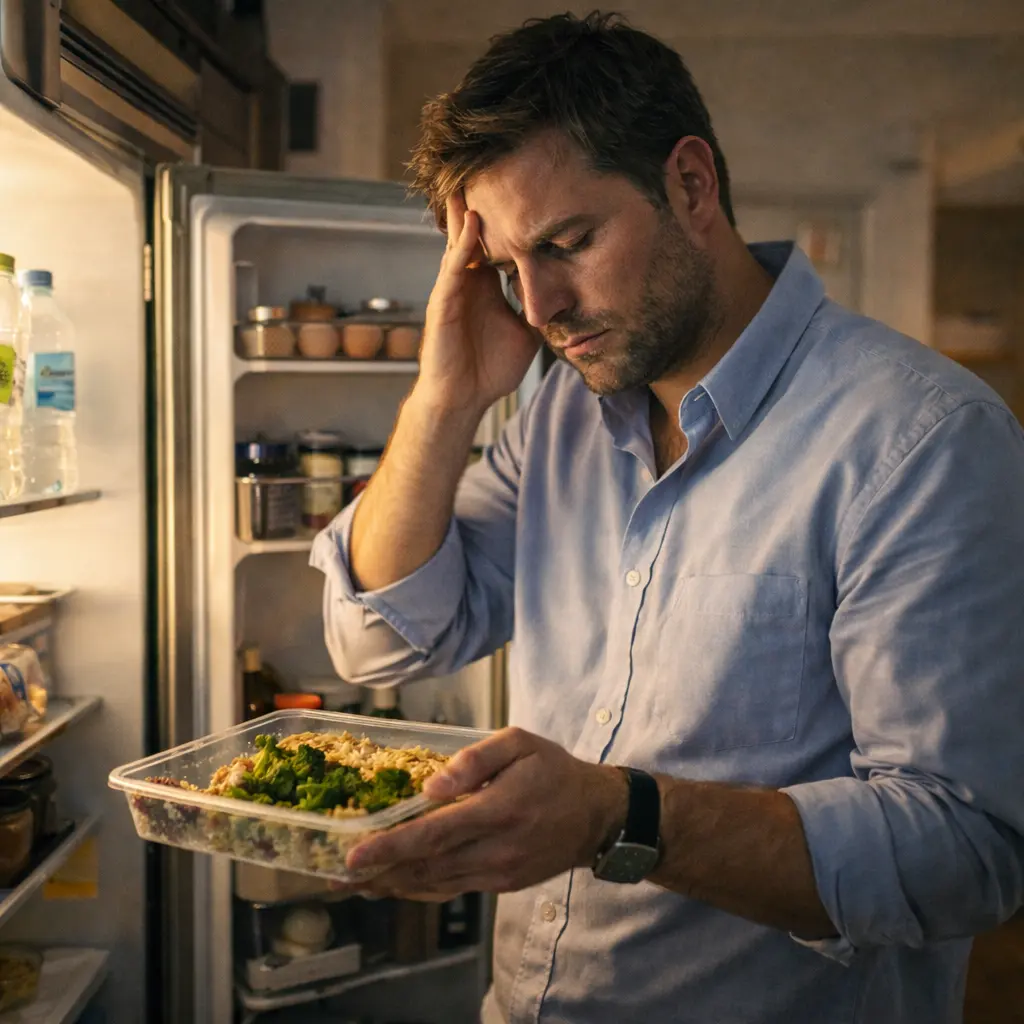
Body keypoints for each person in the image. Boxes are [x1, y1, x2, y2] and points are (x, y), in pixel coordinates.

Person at [311, 11, 1024, 1024]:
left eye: (566, 243)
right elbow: (381, 636)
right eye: (507, 269)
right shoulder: (558, 415)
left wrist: (620, 816)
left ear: (690, 185)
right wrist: (443, 400)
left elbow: (963, 851)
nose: (539, 307)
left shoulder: (920, 438)